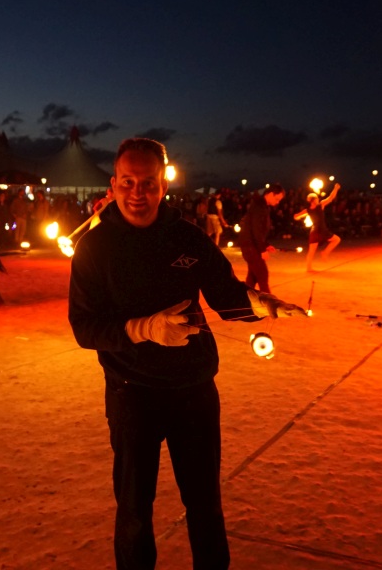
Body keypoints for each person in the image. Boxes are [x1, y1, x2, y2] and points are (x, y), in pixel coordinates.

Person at [68, 138, 306, 570]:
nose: (138, 193)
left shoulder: (186, 238)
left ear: (164, 186)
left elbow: (225, 294)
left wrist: (259, 302)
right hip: (132, 393)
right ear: (113, 184)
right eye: (128, 182)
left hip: (194, 390)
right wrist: (144, 329)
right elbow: (85, 327)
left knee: (205, 506)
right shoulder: (94, 248)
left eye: (148, 183)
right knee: (136, 512)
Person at [238, 183, 285, 293]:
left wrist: (266, 245)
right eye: (277, 199)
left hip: (251, 245)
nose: (277, 203)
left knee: (253, 277)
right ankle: (270, 304)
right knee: (262, 274)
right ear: (270, 194)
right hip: (250, 246)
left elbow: (260, 231)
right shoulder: (259, 206)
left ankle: (245, 302)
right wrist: (262, 249)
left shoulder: (262, 206)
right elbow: (256, 230)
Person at [293, 183, 342, 272]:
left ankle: (311, 265)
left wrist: (297, 216)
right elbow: (331, 197)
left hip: (315, 231)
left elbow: (296, 217)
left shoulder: (309, 209)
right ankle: (323, 254)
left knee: (313, 251)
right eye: (316, 198)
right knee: (336, 240)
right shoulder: (320, 205)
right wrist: (336, 188)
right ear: (312, 200)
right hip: (321, 230)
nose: (318, 199)